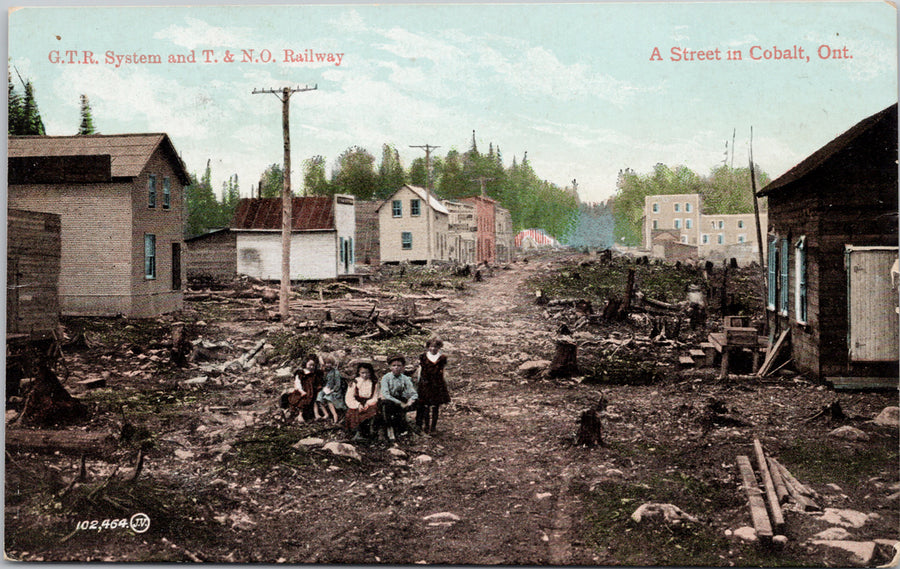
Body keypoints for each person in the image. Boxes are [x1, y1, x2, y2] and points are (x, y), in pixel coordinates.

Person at [415, 336, 450, 434]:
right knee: (426, 406)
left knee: (435, 407)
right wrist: (419, 382)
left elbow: (443, 371)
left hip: (437, 384)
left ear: (439, 347)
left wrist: (444, 383)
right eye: (431, 346)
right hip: (426, 384)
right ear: (428, 347)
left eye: (436, 347)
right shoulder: (423, 356)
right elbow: (421, 371)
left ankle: (433, 427)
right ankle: (426, 426)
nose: (433, 349)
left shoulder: (442, 358)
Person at [380, 355, 418, 441]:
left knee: (416, 403)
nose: (396, 368)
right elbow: (386, 394)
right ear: (390, 367)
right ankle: (389, 429)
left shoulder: (405, 378)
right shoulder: (386, 378)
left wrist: (410, 400)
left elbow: (413, 393)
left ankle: (405, 429)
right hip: (389, 400)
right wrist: (400, 403)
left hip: (401, 399)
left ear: (403, 367)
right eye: (394, 365)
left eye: (399, 365)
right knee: (386, 405)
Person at [344, 362, 380, 441]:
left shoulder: (374, 383)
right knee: (353, 412)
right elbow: (349, 397)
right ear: (359, 373)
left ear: (370, 373)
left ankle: (369, 433)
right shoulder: (355, 382)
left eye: (367, 373)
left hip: (369, 403)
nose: (365, 375)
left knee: (372, 412)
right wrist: (357, 405)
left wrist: (369, 403)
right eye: (362, 373)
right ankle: (357, 432)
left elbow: (375, 396)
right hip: (357, 402)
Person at [284, 355, 321, 422]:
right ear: (305, 363)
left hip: (311, 391)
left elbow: (317, 383)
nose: (312, 367)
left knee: (313, 400)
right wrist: (301, 391)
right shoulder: (301, 373)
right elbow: (297, 383)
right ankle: (299, 415)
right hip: (303, 390)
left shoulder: (314, 374)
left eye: (313, 365)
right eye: (310, 365)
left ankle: (316, 414)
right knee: (301, 400)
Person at [315, 356, 346, 423]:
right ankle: (326, 414)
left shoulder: (335, 372)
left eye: (329, 363)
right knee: (319, 397)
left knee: (328, 398)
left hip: (335, 390)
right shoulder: (325, 372)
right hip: (326, 389)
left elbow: (338, 384)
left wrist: (332, 390)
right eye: (326, 363)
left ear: (332, 364)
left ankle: (335, 415)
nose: (328, 365)